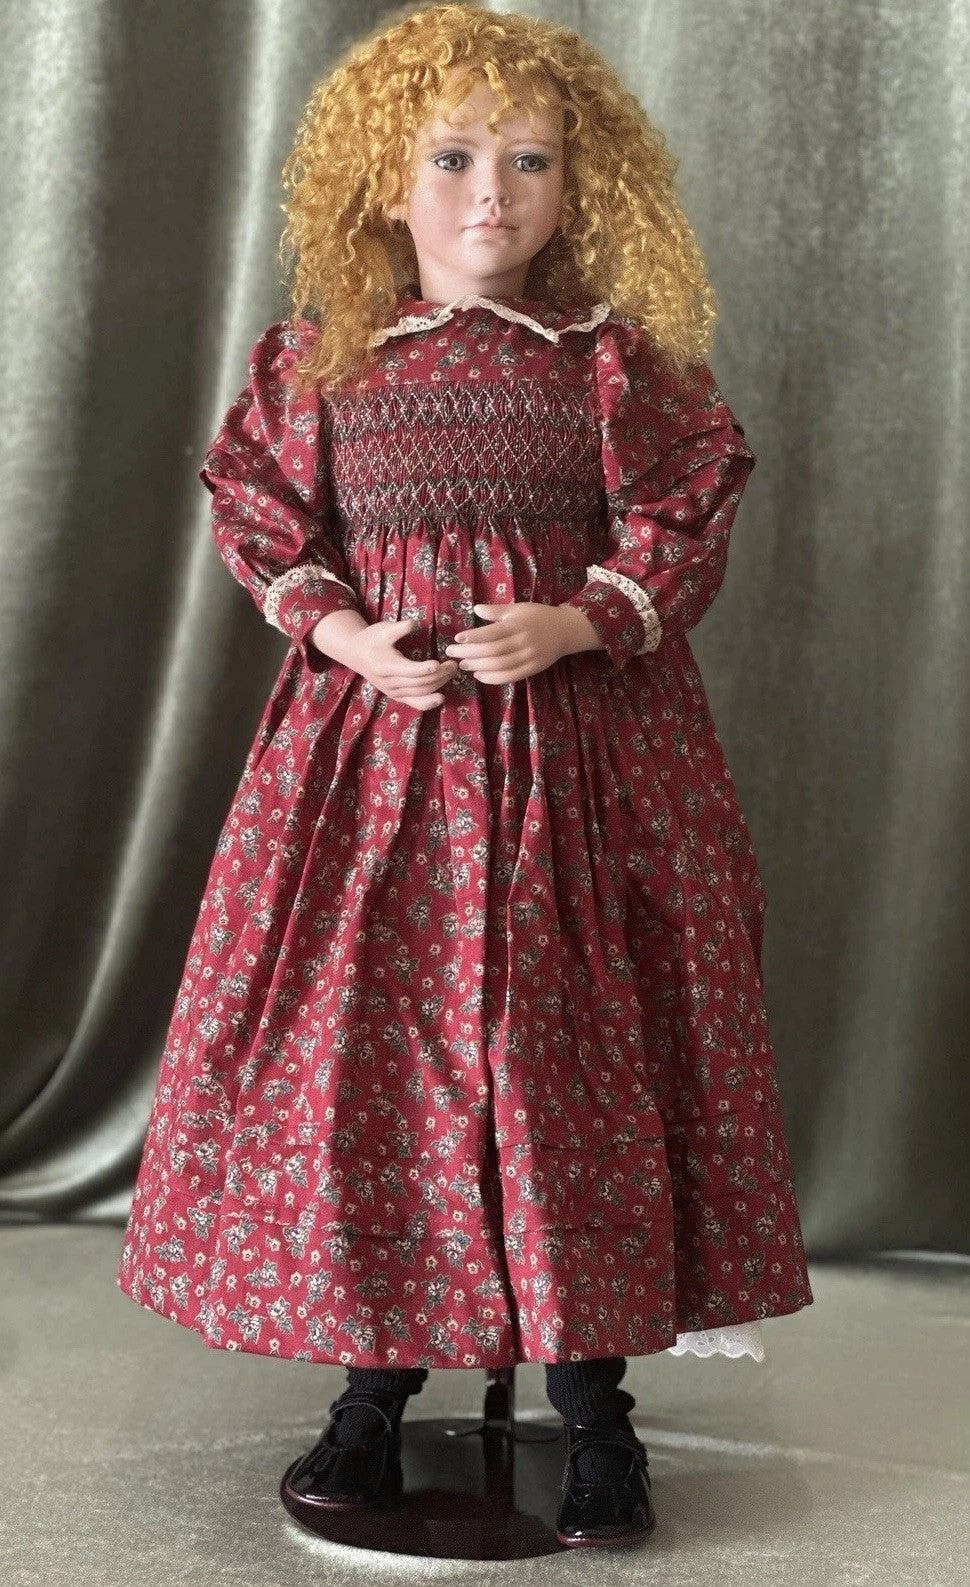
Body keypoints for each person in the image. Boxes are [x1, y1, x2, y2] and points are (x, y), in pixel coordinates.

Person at [117, 1, 814, 1549]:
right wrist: (346, 636)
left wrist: (576, 620)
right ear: (384, 178)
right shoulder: (321, 362)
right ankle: (372, 1391)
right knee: (377, 1063)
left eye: (528, 161)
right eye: (450, 158)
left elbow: (682, 513)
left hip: (585, 781)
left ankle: (594, 1411)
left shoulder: (611, 363)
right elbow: (262, 515)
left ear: (579, 184)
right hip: (378, 782)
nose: (489, 192)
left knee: (579, 1067)